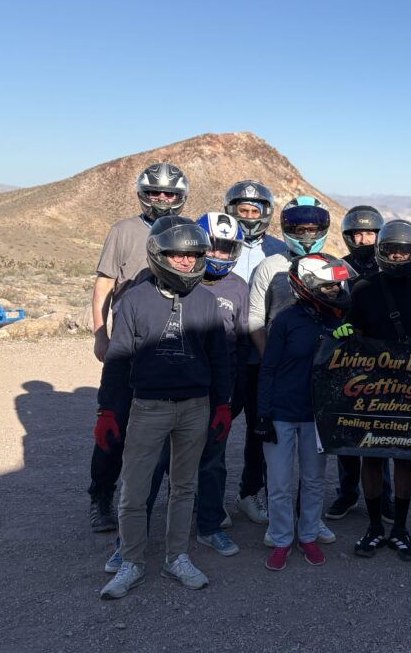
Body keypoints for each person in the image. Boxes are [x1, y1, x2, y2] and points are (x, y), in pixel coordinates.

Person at [98, 216, 232, 599]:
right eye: (176, 255)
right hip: (148, 407)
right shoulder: (135, 301)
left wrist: (222, 405)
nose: (186, 262)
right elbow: (119, 359)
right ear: (158, 254)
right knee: (134, 490)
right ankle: (132, 561)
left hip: (195, 407)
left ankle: (177, 557)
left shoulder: (206, 302)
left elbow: (220, 360)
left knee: (184, 487)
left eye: (191, 255)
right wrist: (107, 409)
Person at [89, 162, 189, 532]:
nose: (162, 199)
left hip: (170, 338)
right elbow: (103, 284)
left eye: (170, 194)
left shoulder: (184, 230)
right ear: (142, 194)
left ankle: (160, 501)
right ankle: (101, 495)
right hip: (127, 340)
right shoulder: (124, 229)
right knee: (114, 420)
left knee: (168, 427)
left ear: (181, 198)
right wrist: (100, 332)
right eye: (155, 192)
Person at [256, 253, 357, 570]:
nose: (335, 290)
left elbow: (348, 370)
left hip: (317, 414)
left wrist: (346, 342)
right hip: (283, 413)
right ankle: (281, 538)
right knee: (280, 483)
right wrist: (263, 413)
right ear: (309, 286)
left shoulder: (337, 321)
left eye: (336, 285)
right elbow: (268, 368)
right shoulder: (285, 321)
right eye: (328, 286)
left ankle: (309, 535)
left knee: (314, 481)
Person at [346, 220, 411, 561]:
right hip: (370, 386)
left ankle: (399, 527)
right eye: (391, 250)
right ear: (380, 251)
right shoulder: (360, 288)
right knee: (370, 457)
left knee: (404, 457)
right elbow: (349, 335)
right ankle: (374, 526)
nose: (397, 256)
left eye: (403, 250)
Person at [246, 196, 337, 545]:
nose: (307, 234)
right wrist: (272, 360)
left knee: (315, 462)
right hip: (278, 371)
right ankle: (281, 524)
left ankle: (311, 522)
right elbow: (255, 318)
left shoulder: (334, 264)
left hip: (320, 376)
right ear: (288, 231)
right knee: (278, 454)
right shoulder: (271, 266)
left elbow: (342, 316)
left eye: (313, 229)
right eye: (300, 229)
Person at [326, 204, 395, 523]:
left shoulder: (389, 268)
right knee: (346, 427)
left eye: (369, 232)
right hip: (347, 357)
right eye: (357, 233)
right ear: (347, 237)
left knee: (382, 429)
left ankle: (385, 496)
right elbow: (330, 305)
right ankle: (348, 492)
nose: (363, 238)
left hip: (382, 359)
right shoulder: (339, 268)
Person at [223, 180, 285, 528]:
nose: (248, 216)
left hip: (263, 353)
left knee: (259, 429)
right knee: (213, 425)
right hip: (226, 351)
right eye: (242, 210)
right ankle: (206, 493)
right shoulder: (217, 244)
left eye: (255, 210)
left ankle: (250, 492)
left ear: (266, 213)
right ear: (230, 210)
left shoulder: (278, 248)